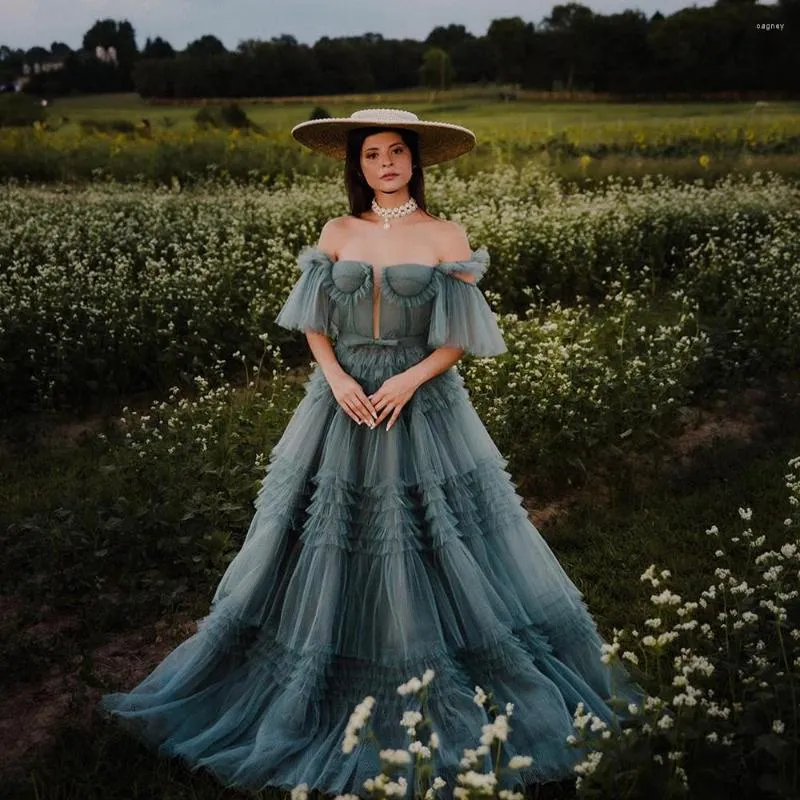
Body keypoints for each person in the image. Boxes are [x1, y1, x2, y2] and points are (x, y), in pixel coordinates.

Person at [97, 108, 645, 798]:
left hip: (421, 403)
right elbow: (315, 323)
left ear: (415, 160)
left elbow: (460, 336)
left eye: (395, 153)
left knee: (436, 533)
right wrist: (336, 376)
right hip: (343, 400)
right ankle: (306, 674)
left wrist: (411, 379)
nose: (384, 164)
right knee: (320, 532)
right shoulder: (338, 231)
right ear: (357, 167)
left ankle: (439, 668)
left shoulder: (445, 235)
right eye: (370, 156)